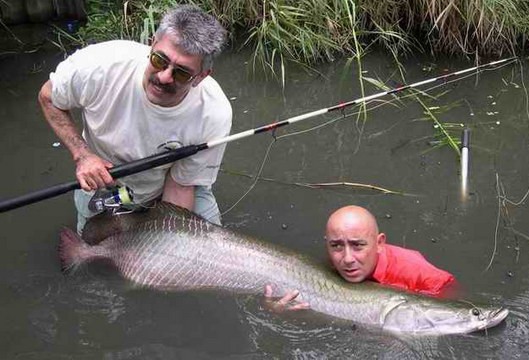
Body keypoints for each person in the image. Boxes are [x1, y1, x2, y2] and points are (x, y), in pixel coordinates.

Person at [38, 5, 232, 233]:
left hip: (170, 184)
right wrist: (82, 156)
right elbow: (48, 97)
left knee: (203, 251)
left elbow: (180, 186)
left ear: (200, 77)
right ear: (152, 44)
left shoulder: (213, 112)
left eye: (181, 72)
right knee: (87, 257)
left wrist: (166, 237)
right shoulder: (99, 65)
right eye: (160, 60)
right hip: (104, 183)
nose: (164, 77)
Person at [264, 205, 456, 312]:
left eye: (358, 245)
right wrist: (273, 309)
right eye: (336, 245)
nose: (347, 259)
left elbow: (453, 309)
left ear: (379, 243)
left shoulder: (421, 274)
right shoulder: (331, 263)